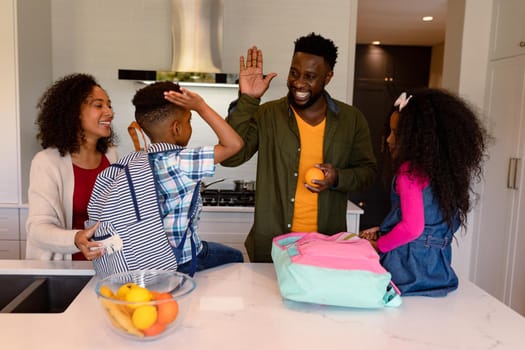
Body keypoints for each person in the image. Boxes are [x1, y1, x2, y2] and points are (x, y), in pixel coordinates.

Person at [221, 32, 377, 262]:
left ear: (328, 77)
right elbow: (230, 157)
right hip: (273, 246)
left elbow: (368, 173)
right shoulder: (268, 114)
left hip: (326, 245)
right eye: (294, 73)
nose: (299, 83)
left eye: (310, 76)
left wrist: (337, 177)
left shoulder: (351, 120)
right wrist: (248, 100)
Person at [91, 81, 244, 275]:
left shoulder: (130, 163)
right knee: (236, 257)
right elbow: (234, 145)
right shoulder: (182, 160)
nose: (190, 126)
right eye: (189, 121)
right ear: (177, 128)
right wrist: (201, 107)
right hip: (181, 260)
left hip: (142, 260)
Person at [359, 89, 489, 297]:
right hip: (438, 272)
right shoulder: (446, 176)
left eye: (397, 134)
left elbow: (413, 228)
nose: (389, 140)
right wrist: (387, 228)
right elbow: (433, 225)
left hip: (406, 272)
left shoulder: (408, 173)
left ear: (416, 137)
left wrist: (379, 245)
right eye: (389, 132)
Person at [26, 73, 118, 261]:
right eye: (98, 105)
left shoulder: (111, 155)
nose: (109, 112)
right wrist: (76, 238)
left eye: (109, 105)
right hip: (65, 268)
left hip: (107, 264)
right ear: (74, 112)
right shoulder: (46, 162)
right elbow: (37, 228)